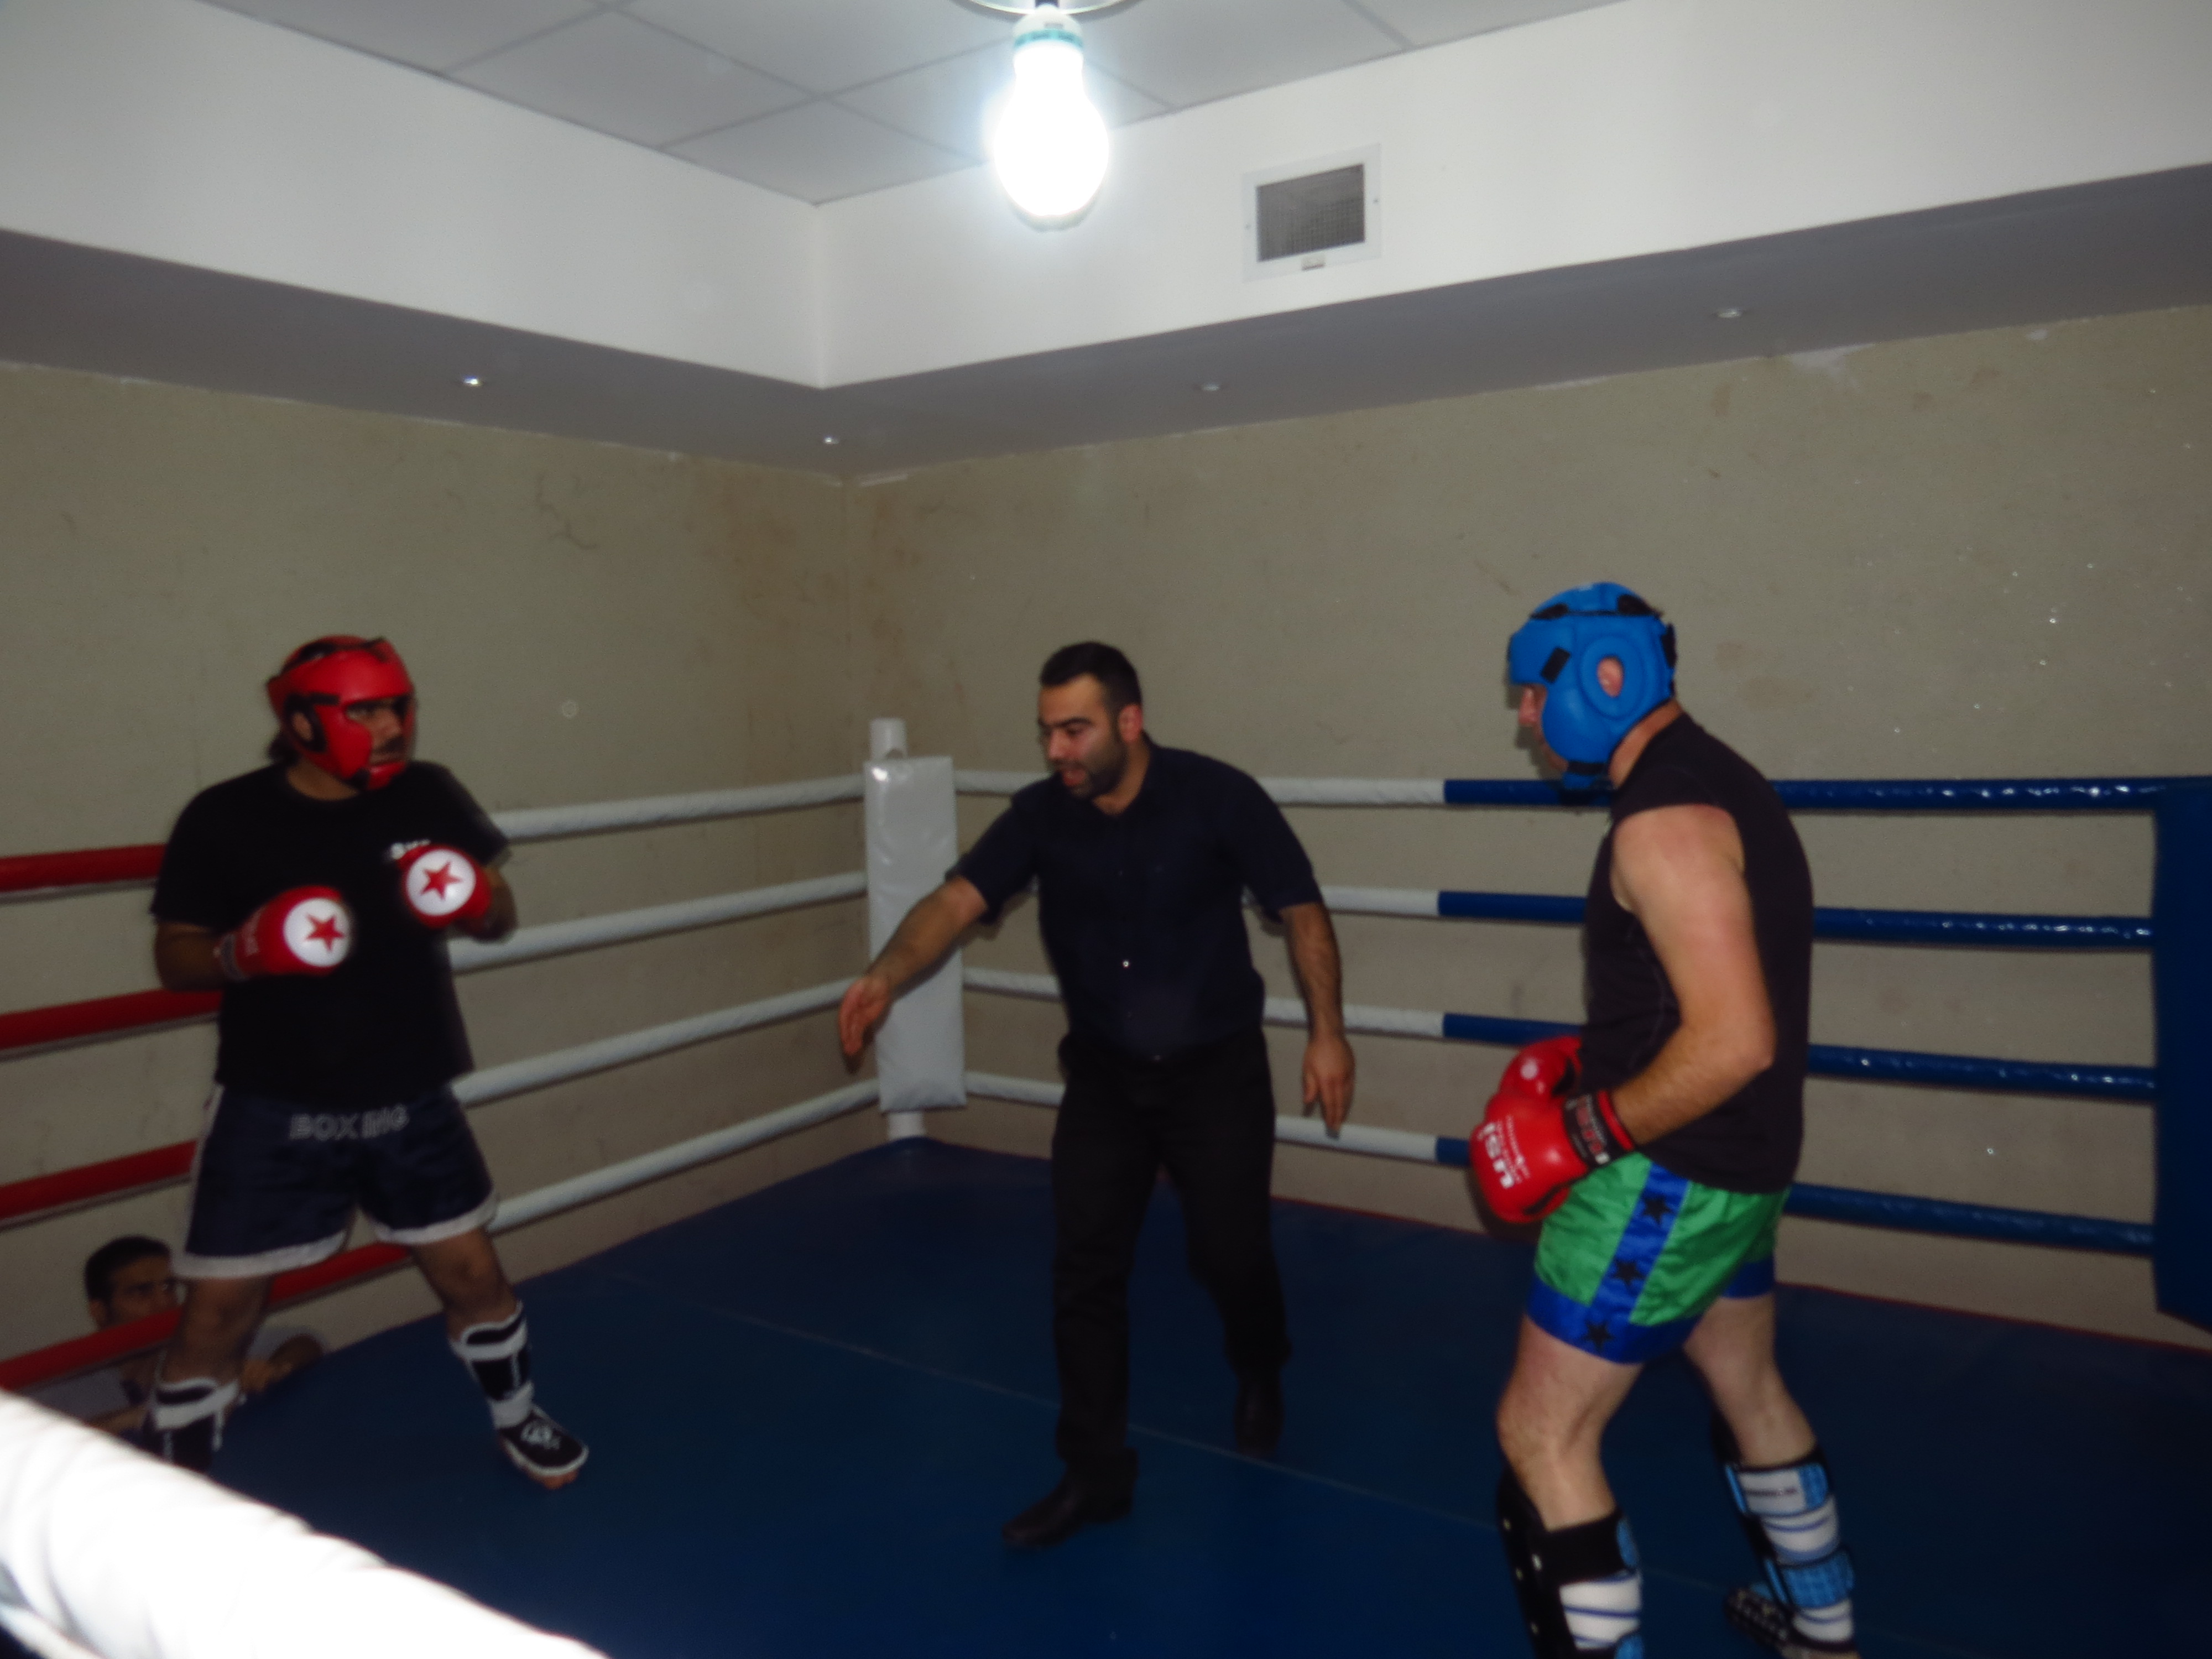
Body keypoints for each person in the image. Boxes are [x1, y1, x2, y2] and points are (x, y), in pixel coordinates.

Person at [838, 642, 1355, 1548]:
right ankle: (1095, 1474)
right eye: (1047, 733)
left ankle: (1260, 1363)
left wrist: (1328, 1032)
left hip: (1214, 1077)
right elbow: (956, 902)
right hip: (1107, 1082)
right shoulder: (1042, 816)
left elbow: (1302, 909)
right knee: (1084, 1272)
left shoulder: (1219, 796)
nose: (1056, 752)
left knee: (1231, 1256)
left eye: (1074, 731)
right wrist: (884, 976)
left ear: (1129, 721)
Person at [1473, 585, 1857, 1659]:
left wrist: (1583, 1131)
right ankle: (1824, 1637)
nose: (1523, 719)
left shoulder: (1661, 823)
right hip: (1742, 1171)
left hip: (1663, 1180)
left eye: (1530, 693)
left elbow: (1733, 1039)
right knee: (1748, 1387)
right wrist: (1604, 1053)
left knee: (1540, 1432)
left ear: (1606, 674)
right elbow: (1696, 995)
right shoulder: (1721, 779)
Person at [144, 636, 586, 1486]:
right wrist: (244, 951)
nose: (390, 728)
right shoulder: (224, 815)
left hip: (408, 1087)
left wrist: (477, 898)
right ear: (304, 721)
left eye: (397, 708)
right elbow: (175, 956)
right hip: (274, 1096)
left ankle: (517, 1418)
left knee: (474, 1273)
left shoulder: (427, 792)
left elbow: (499, 915)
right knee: (218, 1312)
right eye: (366, 712)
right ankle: (171, 1489)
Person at [28, 1237, 321, 1434]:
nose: (163, 1304)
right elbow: (25, 1453)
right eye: (141, 1292)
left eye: (169, 1288)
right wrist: (122, 1421)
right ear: (100, 1311)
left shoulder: (197, 1344)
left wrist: (276, 1367)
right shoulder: (64, 1383)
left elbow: (303, 1341)